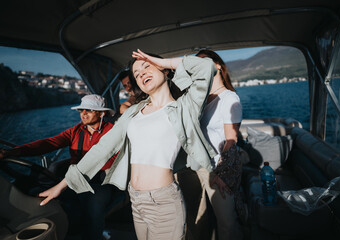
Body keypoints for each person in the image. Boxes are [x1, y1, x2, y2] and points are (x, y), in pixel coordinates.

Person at [38, 49, 217, 240]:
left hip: (163, 201)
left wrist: (163, 62)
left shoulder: (184, 107)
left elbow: (207, 66)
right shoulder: (133, 113)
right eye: (137, 74)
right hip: (136, 199)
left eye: (147, 67)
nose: (142, 74)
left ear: (164, 71)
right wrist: (63, 184)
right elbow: (103, 148)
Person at [0, 94, 125, 240]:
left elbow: (110, 164)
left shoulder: (113, 132)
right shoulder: (76, 131)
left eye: (89, 110)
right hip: (72, 179)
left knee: (94, 205)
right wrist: (14, 152)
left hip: (101, 182)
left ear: (102, 113)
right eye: (81, 110)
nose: (83, 114)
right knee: (33, 189)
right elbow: (50, 143)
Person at [178, 50, 244, 240]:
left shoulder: (229, 98)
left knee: (226, 223)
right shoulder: (201, 100)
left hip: (218, 168)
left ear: (217, 66)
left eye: (203, 64)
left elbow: (232, 139)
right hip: (197, 166)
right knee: (197, 218)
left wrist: (223, 173)